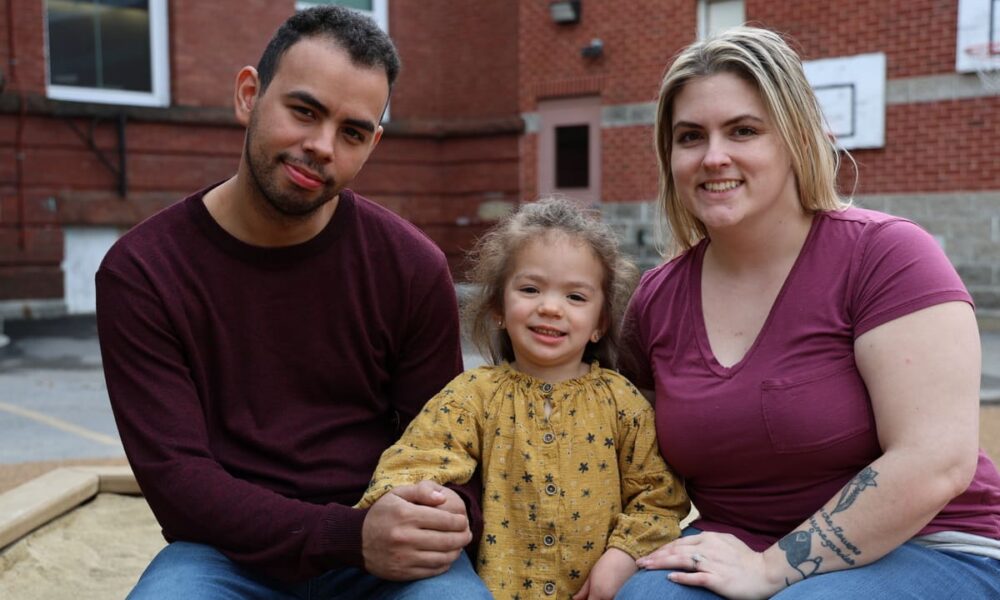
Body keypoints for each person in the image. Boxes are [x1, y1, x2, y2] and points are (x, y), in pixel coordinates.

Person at [95, 6, 491, 598]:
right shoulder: (144, 273)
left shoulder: (411, 268)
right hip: (225, 554)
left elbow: (445, 450)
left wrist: (439, 514)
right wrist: (347, 536)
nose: (321, 146)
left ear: (372, 144)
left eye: (352, 132)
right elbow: (179, 484)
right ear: (249, 95)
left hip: (381, 546)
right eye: (304, 111)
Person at [616, 26, 1000, 599]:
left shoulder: (886, 255)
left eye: (743, 130)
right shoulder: (656, 299)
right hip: (736, 544)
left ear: (796, 139)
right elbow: (623, 453)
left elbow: (935, 462)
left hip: (926, 542)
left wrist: (773, 569)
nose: (713, 156)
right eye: (690, 136)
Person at [355, 198, 691, 599]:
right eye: (530, 289)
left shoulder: (624, 404)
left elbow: (659, 497)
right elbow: (417, 459)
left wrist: (623, 554)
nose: (550, 308)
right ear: (498, 306)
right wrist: (414, 501)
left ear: (601, 323)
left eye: (576, 297)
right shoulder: (472, 396)